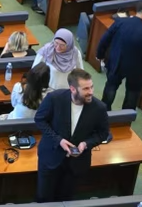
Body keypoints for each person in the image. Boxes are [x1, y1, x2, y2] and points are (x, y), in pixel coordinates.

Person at [34, 69, 109, 202]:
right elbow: (40, 120)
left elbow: (103, 133)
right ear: (73, 89)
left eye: (91, 87)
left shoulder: (99, 108)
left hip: (76, 164)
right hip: (51, 157)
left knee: (66, 199)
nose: (91, 92)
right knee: (44, 197)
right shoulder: (54, 99)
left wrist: (86, 144)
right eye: (86, 89)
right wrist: (58, 140)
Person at [96, 1, 142, 110]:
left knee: (111, 86)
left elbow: (105, 39)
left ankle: (104, 111)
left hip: (117, 62)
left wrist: (100, 54)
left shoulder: (119, 22)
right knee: (132, 93)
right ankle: (126, 116)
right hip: (137, 69)